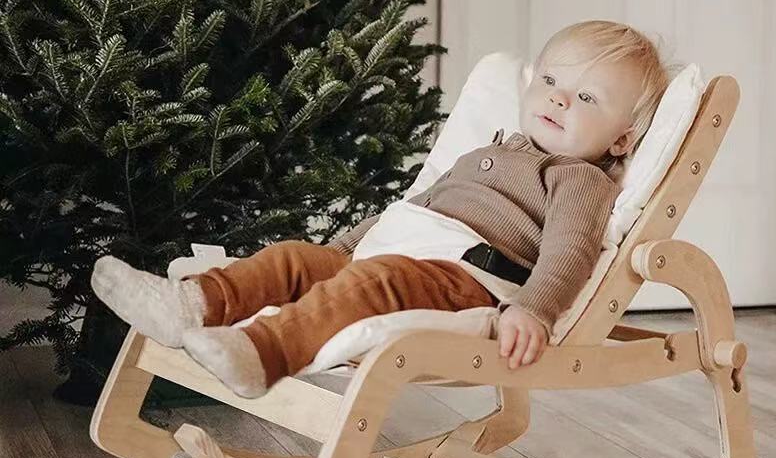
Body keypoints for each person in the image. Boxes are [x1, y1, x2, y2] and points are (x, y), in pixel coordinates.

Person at [91, 20, 670, 398]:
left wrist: (535, 311)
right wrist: (341, 249)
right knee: (296, 258)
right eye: (550, 80)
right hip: (400, 246)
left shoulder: (577, 179)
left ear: (622, 140)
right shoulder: (487, 151)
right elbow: (415, 206)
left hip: (464, 278)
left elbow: (569, 252)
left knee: (378, 280)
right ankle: (190, 304)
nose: (559, 98)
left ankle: (263, 353)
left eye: (586, 97)